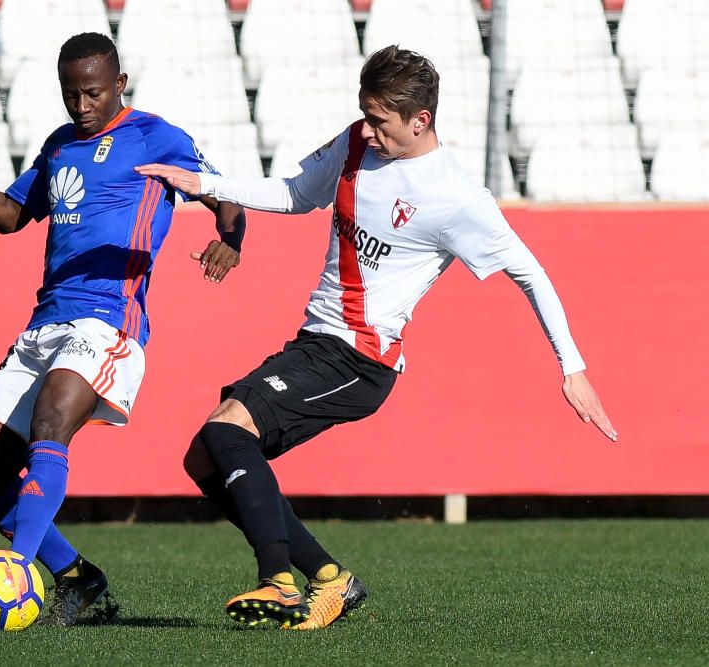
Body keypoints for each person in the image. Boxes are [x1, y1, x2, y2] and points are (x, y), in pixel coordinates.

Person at [136, 45, 616, 630]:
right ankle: (332, 580)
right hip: (315, 343)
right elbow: (295, 194)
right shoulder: (356, 143)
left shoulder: (458, 199)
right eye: (365, 114)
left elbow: (531, 273)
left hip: (358, 360)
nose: (369, 129)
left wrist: (573, 367)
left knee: (226, 429)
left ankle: (279, 581)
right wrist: (200, 182)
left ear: (421, 120)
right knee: (206, 458)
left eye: (382, 121)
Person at [0, 32, 245, 626]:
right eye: (71, 95)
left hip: (111, 319)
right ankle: (78, 579)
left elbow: (225, 196)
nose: (81, 106)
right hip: (45, 323)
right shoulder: (60, 145)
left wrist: (230, 240)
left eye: (92, 93)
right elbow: (11, 216)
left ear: (119, 84)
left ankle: (14, 571)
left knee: (50, 423)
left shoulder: (156, 137)